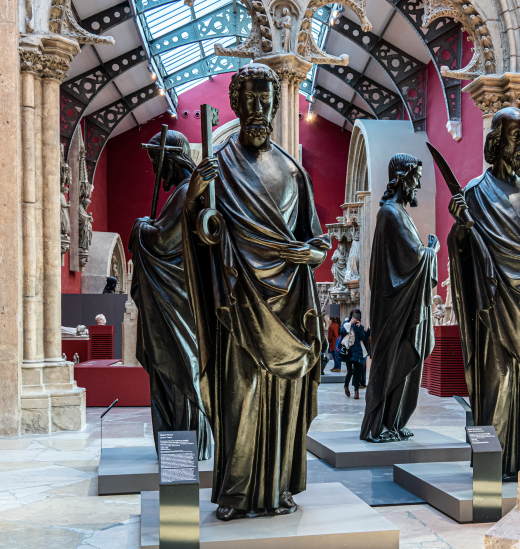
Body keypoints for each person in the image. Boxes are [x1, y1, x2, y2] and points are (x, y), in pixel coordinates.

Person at [181, 63, 330, 520]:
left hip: (288, 306)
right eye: (249, 100)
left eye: (265, 99)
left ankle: (279, 487)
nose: (258, 108)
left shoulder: (292, 169)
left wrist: (313, 255)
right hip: (239, 303)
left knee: (282, 398)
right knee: (240, 397)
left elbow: (315, 239)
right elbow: (196, 230)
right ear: (236, 104)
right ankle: (236, 493)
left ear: (276, 103)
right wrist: (196, 195)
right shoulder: (218, 165)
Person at [447, 107, 520, 479]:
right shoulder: (474, 196)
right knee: (495, 390)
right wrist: (461, 231)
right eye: (517, 137)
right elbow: (463, 255)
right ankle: (489, 469)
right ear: (497, 141)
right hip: (495, 310)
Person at [128, 129, 212, 460]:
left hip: (177, 303)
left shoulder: (184, 193)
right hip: (175, 300)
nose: (154, 171)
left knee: (178, 373)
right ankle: (182, 443)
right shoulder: (185, 192)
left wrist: (139, 226)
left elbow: (162, 241)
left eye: (156, 162)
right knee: (174, 372)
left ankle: (185, 445)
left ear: (171, 159)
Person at [360, 153, 438, 443]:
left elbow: (410, 257)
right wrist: (431, 251)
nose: (418, 183)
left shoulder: (399, 213)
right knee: (390, 362)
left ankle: (394, 422)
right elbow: (410, 260)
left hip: (403, 303)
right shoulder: (389, 213)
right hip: (392, 306)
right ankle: (377, 426)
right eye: (415, 177)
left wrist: (426, 252)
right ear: (402, 178)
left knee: (404, 362)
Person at [340, 308, 368, 399]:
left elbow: (362, 337)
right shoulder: (346, 324)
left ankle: (356, 391)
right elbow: (342, 333)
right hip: (349, 351)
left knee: (357, 372)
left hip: (358, 351)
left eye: (357, 315)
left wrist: (360, 328)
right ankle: (346, 385)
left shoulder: (360, 326)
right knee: (350, 371)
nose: (355, 317)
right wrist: (350, 324)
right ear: (351, 315)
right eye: (353, 315)